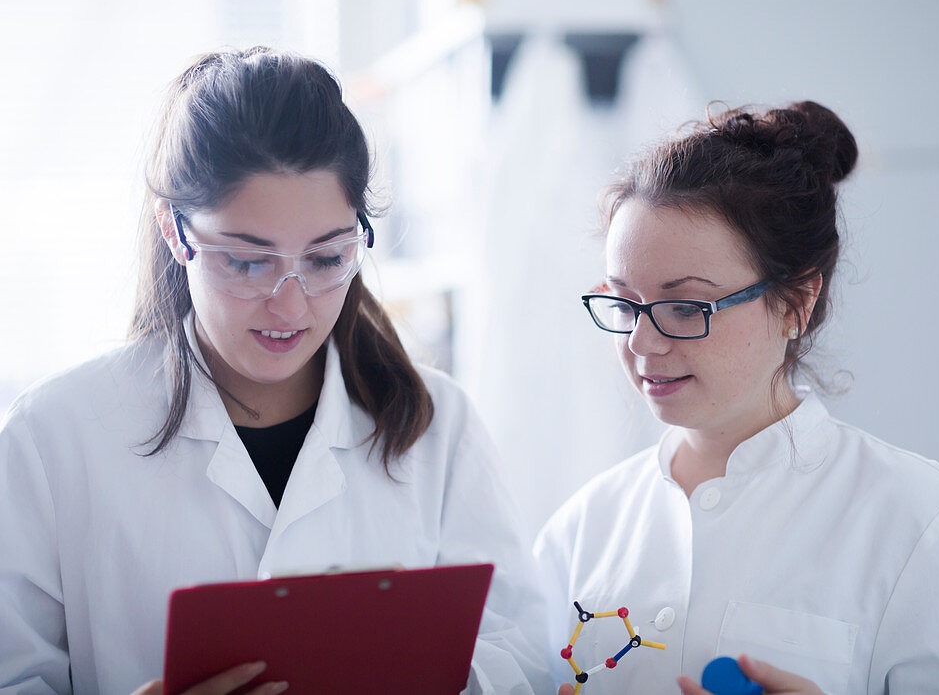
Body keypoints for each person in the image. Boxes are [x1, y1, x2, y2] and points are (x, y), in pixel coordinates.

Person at [0, 47, 550, 695]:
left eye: (326, 258)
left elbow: (527, 656)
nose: (289, 304)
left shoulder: (437, 423)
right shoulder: (53, 436)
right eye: (246, 261)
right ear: (176, 232)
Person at [533, 102, 939, 694]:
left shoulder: (921, 520)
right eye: (624, 302)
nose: (642, 342)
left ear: (797, 302)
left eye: (685, 306)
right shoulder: (582, 529)